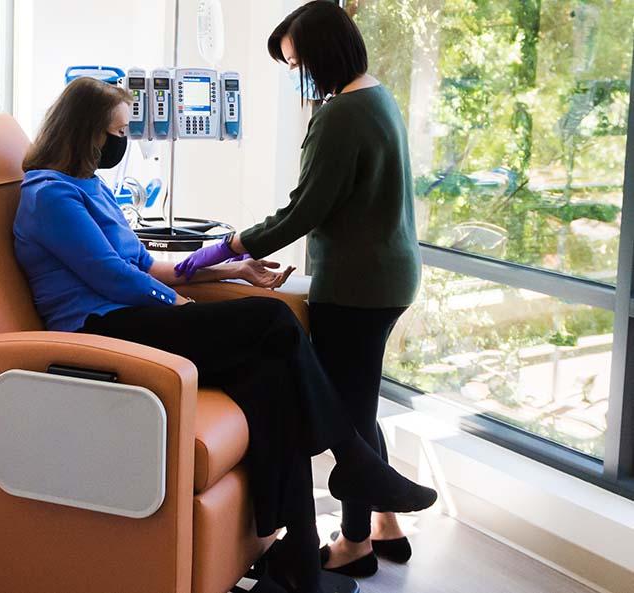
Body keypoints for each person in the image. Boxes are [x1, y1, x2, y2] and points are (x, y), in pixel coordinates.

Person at [13, 76, 435, 593]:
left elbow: (146, 264)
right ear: (84, 133)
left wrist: (227, 270)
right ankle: (352, 461)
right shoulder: (48, 195)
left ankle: (298, 560)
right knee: (271, 320)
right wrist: (179, 304)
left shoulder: (89, 187)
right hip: (100, 328)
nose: (121, 144)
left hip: (133, 315)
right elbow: (108, 275)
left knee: (273, 377)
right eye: (116, 132)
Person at [174, 1, 423, 578]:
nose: (296, 77)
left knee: (346, 411)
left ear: (322, 55)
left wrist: (229, 247)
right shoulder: (378, 96)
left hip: (358, 287)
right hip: (390, 275)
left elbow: (302, 211)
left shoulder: (340, 115)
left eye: (296, 64)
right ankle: (386, 522)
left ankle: (355, 541)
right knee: (358, 399)